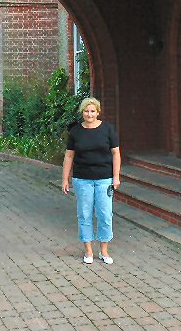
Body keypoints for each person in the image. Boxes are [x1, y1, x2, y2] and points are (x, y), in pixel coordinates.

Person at [62, 97, 121, 265]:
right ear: (82, 112)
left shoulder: (107, 129)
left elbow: (116, 154)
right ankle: (88, 250)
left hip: (104, 179)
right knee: (84, 214)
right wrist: (65, 178)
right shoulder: (76, 132)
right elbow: (69, 156)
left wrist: (116, 176)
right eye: (86, 111)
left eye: (93, 111)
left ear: (98, 112)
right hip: (82, 180)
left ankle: (104, 250)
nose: (89, 114)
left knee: (105, 215)